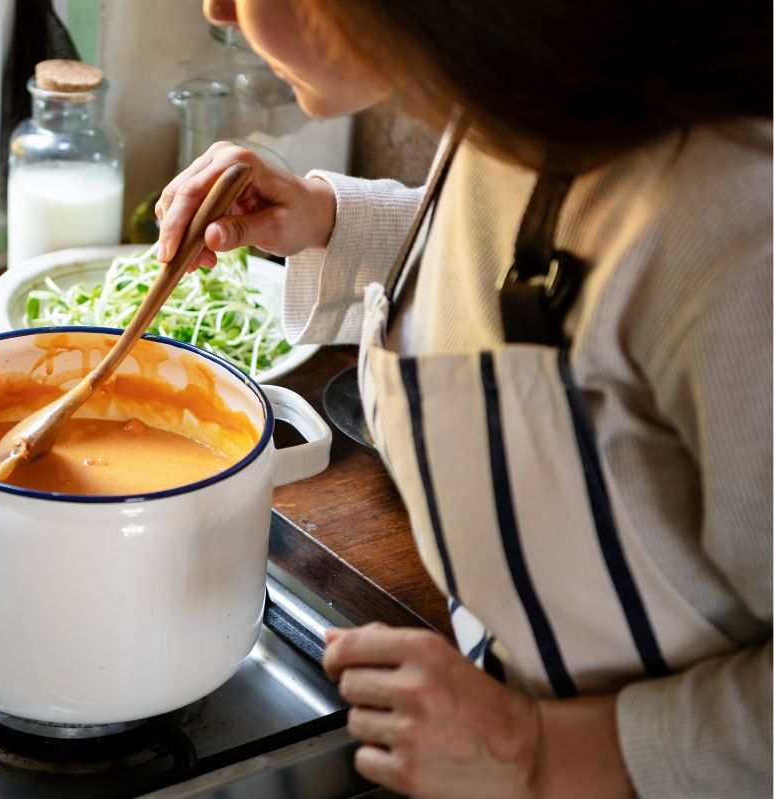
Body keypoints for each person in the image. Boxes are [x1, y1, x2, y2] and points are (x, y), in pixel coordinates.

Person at [155, 2, 772, 797]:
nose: (217, 8)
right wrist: (327, 223)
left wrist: (541, 750)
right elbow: (534, 258)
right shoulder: (527, 97)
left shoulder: (733, 231)